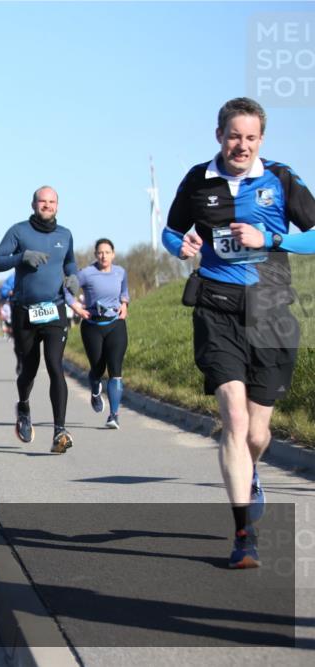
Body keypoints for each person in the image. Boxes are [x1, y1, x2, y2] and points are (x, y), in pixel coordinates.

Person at [163, 97, 315, 569]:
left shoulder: (281, 178)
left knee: (257, 433)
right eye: (234, 136)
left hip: (271, 309)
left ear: (261, 140)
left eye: (250, 138)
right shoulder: (197, 180)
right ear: (219, 136)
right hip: (217, 308)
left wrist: (270, 238)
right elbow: (170, 231)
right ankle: (244, 535)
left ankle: (250, 474)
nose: (241, 145)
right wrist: (181, 245)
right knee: (234, 418)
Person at [0, 186, 84, 454]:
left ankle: (59, 431)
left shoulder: (65, 234)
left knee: (55, 365)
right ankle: (23, 407)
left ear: (58, 205)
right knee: (29, 370)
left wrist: (73, 277)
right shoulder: (18, 231)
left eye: (52, 201)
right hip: (25, 311)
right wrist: (22, 257)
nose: (47, 205)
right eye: (42, 201)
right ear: (33, 204)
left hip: (55, 308)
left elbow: (69, 263)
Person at [68, 238, 130, 429]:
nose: (104, 256)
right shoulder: (86, 273)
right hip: (92, 326)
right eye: (100, 253)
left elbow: (124, 292)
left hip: (115, 324)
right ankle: (95, 390)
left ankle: (114, 415)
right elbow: (67, 291)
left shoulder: (120, 272)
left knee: (115, 369)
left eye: (107, 252)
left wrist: (124, 304)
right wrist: (77, 308)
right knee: (97, 369)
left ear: (113, 254)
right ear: (95, 255)